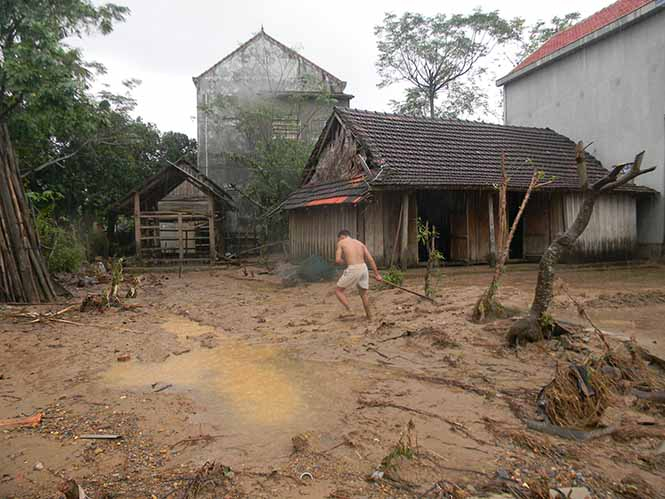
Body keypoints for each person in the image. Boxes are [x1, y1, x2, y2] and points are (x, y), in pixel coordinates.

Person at [335, 229, 382, 319]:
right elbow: (370, 259)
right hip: (364, 268)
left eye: (339, 239)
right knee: (363, 294)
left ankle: (350, 310)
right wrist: (377, 275)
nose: (339, 241)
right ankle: (370, 316)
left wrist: (344, 262)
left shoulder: (341, 243)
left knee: (338, 290)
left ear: (342, 237)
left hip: (353, 268)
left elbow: (337, 260)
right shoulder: (360, 243)